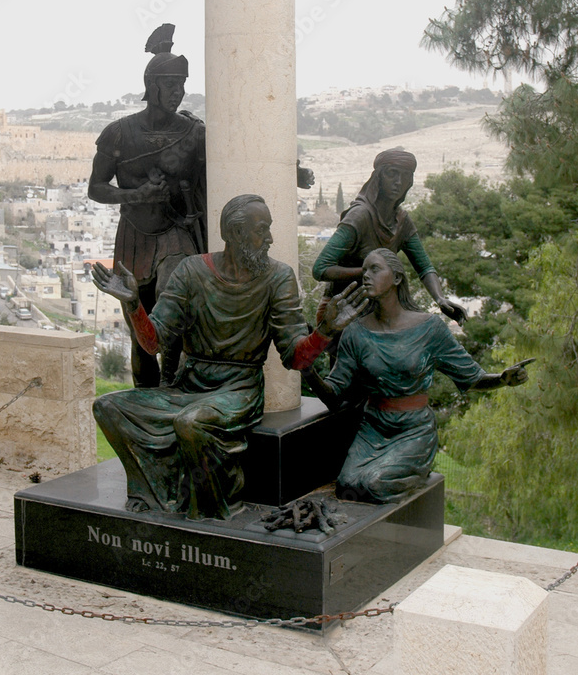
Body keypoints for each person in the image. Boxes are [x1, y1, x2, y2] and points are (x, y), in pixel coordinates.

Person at [91, 194, 364, 520]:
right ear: (235, 234)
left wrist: (325, 332)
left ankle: (213, 507)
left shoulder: (278, 278)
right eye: (261, 230)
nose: (270, 239)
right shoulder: (191, 271)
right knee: (108, 407)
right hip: (189, 388)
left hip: (239, 391)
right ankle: (157, 494)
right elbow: (154, 344)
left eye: (269, 229)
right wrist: (134, 305)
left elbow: (296, 358)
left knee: (191, 423)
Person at [306, 248, 532, 504]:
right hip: (373, 427)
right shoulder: (355, 332)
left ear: (398, 278)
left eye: (375, 269)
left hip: (414, 428)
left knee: (374, 485)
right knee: (347, 486)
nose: (366, 275)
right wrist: (307, 369)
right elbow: (335, 397)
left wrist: (502, 379)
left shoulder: (430, 328)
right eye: (364, 269)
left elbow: (471, 378)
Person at [88, 27, 206, 388]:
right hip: (135, 234)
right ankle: (145, 398)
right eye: (171, 84)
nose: (178, 92)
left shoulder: (193, 133)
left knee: (174, 307)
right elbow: (96, 188)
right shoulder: (119, 133)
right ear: (151, 86)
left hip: (176, 233)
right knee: (139, 330)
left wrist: (291, 170)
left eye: (182, 85)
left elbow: (233, 160)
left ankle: (172, 383)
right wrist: (137, 195)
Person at [312, 148, 466, 325]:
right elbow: (320, 268)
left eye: (405, 176)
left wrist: (440, 299)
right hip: (343, 311)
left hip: (382, 311)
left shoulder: (402, 221)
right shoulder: (360, 216)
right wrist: (369, 272)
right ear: (378, 177)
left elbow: (424, 267)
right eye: (392, 174)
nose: (398, 182)